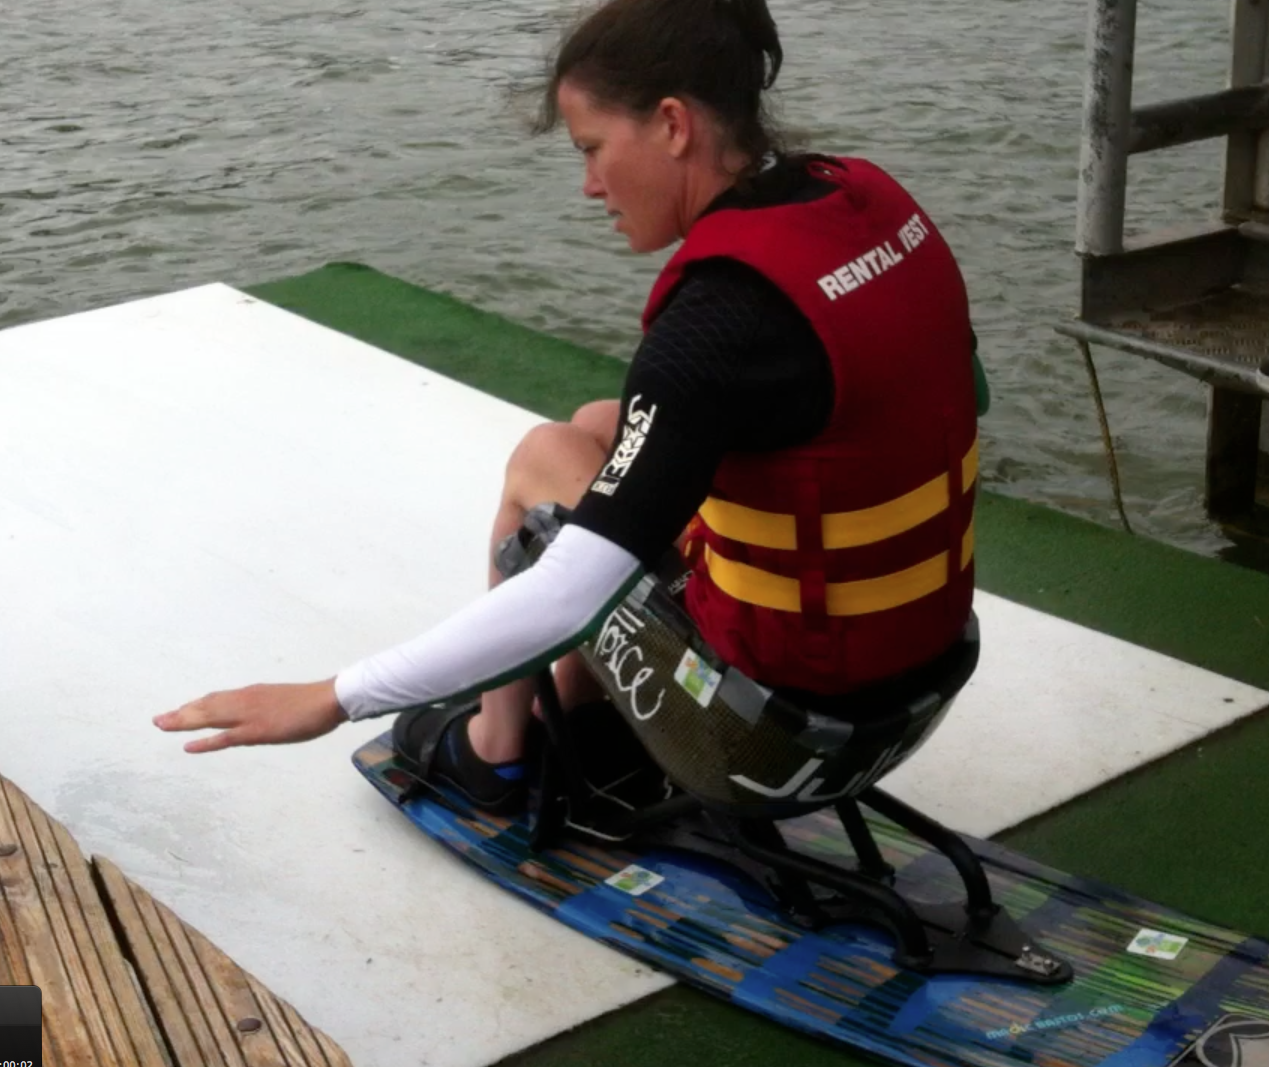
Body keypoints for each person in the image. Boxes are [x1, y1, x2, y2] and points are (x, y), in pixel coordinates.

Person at [154, 0, 981, 817]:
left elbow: (568, 592)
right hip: (918, 681)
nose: (588, 186)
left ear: (671, 125)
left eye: (591, 148)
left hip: (772, 738)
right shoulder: (867, 205)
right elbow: (944, 399)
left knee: (542, 460)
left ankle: (494, 749)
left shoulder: (715, 324)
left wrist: (333, 696)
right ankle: (587, 723)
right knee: (598, 425)